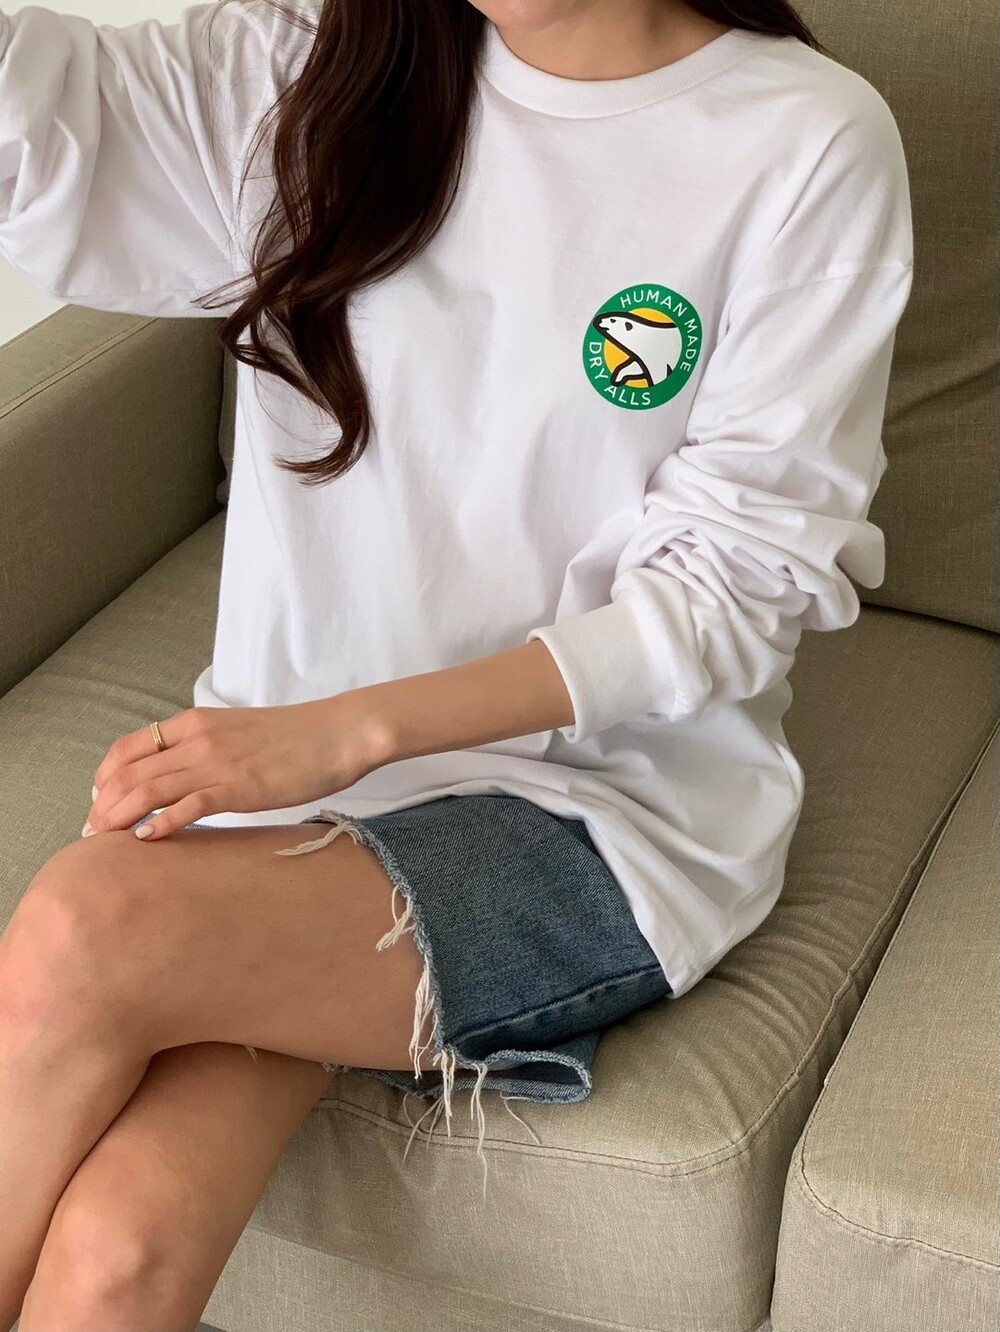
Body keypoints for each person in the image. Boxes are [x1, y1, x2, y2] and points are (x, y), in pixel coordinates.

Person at [0, 0, 913, 1324]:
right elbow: (44, 138)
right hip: (284, 798)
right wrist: (308, 752)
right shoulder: (313, 61)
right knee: (118, 1252)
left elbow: (731, 592)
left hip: (588, 819)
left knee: (85, 927)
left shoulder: (805, 140)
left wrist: (348, 732)